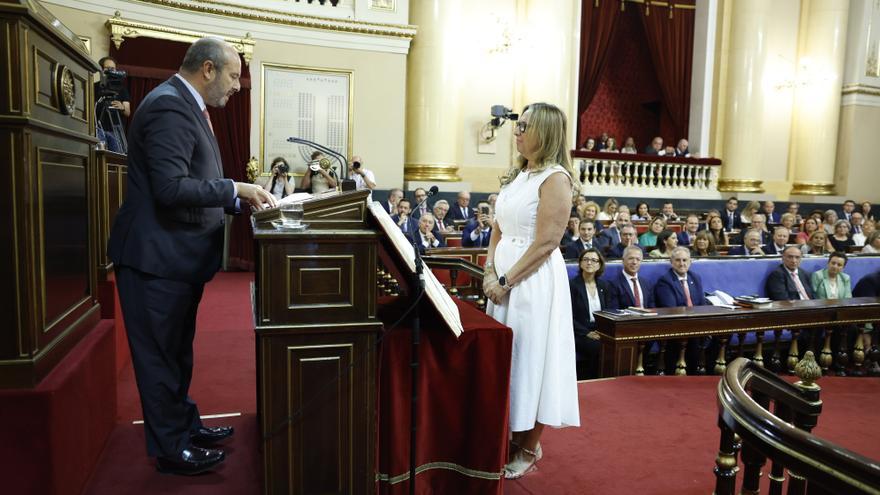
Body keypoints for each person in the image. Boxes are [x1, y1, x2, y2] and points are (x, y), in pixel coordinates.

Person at [107, 38, 277, 475]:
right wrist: (233, 190)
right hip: (155, 259)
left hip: (175, 257)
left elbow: (197, 178)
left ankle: (184, 425)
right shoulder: (169, 106)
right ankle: (171, 449)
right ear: (207, 68)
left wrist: (240, 201)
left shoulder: (186, 104)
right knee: (160, 357)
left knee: (177, 353)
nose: (238, 87)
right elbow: (170, 189)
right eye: (234, 76)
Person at [483, 102, 579, 478]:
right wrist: (491, 269)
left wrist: (506, 281)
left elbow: (547, 242)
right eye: (517, 125)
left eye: (524, 126)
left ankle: (527, 445)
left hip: (533, 281)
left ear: (545, 132)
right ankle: (508, 433)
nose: (516, 131)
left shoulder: (555, 178)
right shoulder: (517, 174)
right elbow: (497, 228)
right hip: (503, 276)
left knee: (532, 359)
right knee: (510, 358)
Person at [569, 248, 616, 380]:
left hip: (600, 329)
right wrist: (586, 333)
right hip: (579, 331)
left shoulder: (604, 285)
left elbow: (607, 312)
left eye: (594, 260)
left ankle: (612, 379)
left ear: (599, 265)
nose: (589, 263)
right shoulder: (572, 285)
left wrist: (603, 331)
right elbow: (567, 316)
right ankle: (593, 380)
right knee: (598, 347)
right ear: (580, 263)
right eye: (586, 259)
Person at [94, 56, 131, 152]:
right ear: (102, 70)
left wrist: (122, 107)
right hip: (98, 129)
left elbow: (128, 112)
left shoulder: (122, 89)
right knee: (99, 158)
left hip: (115, 131)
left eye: (113, 69)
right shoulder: (94, 87)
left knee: (116, 159)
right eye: (108, 68)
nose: (111, 71)